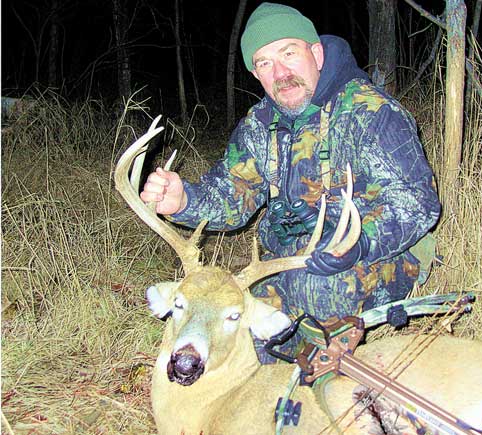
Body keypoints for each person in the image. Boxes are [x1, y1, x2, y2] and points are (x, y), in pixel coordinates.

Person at [141, 2, 440, 361]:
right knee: (231, 326)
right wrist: (184, 200)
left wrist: (357, 242)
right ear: (256, 74)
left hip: (377, 258)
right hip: (288, 262)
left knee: (316, 287)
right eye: (265, 63)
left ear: (316, 54)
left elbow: (417, 203)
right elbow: (233, 196)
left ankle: (322, 372)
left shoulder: (370, 112)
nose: (281, 73)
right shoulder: (259, 124)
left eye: (288, 53)